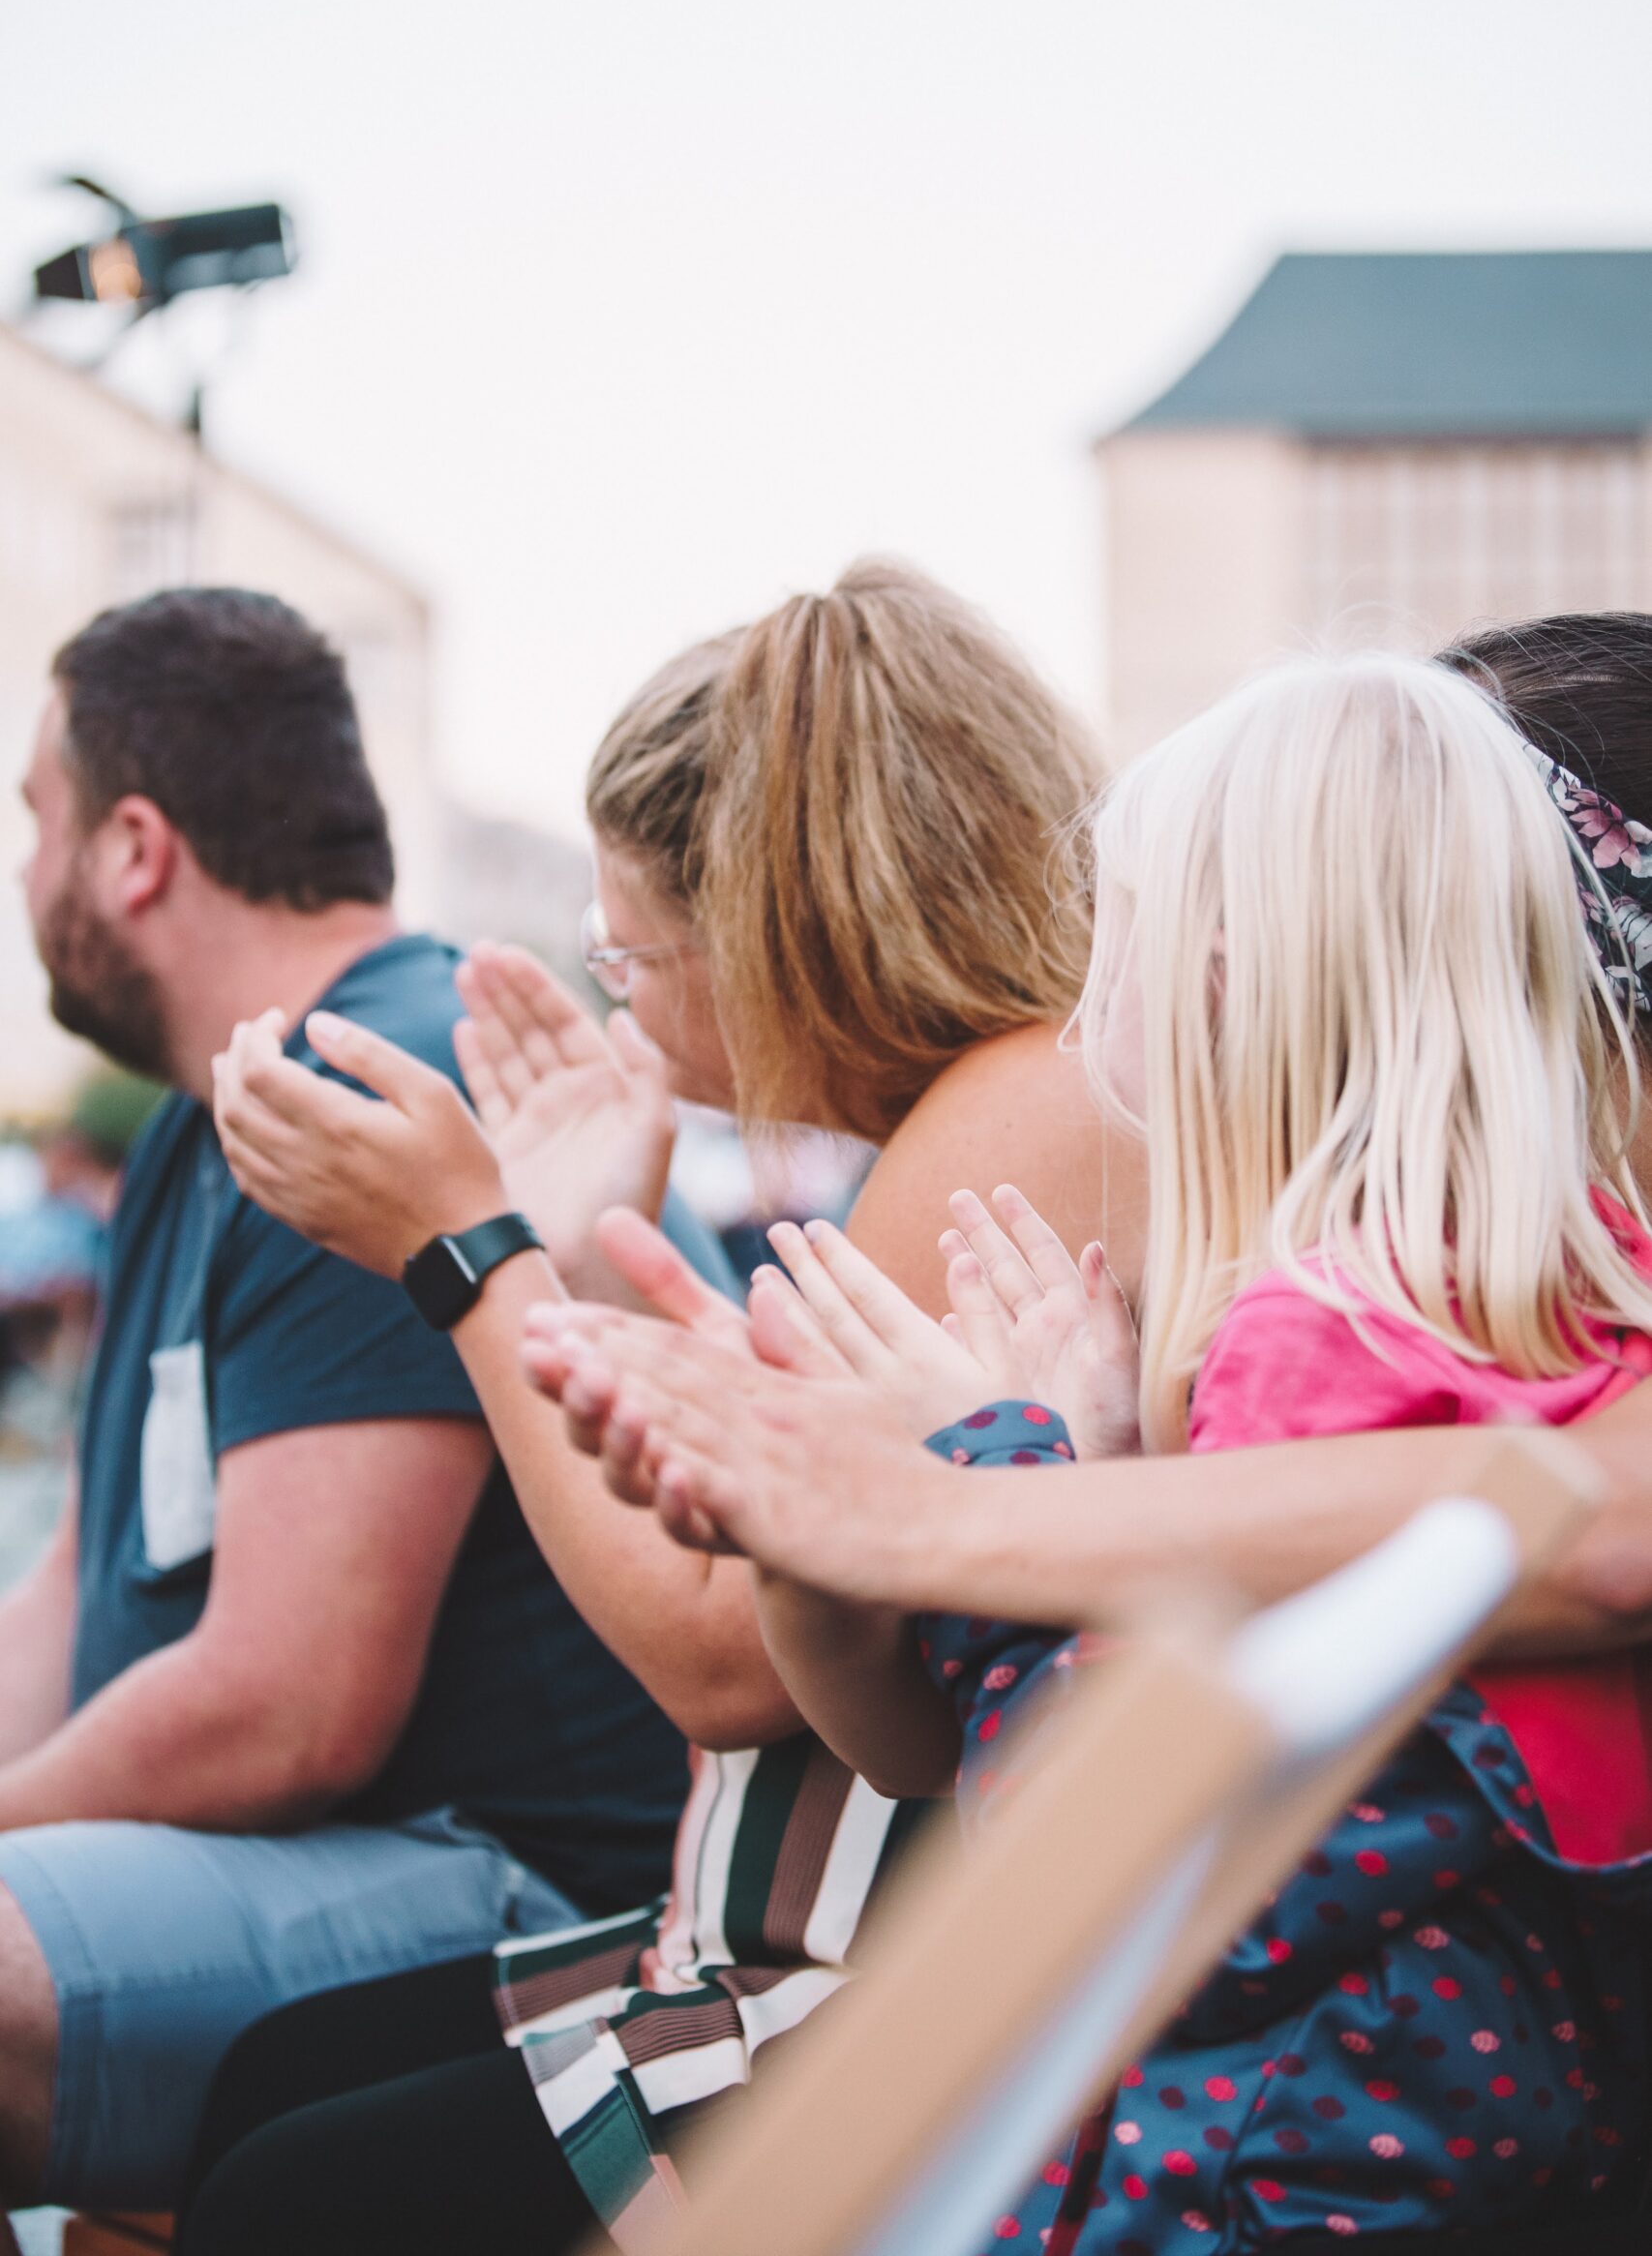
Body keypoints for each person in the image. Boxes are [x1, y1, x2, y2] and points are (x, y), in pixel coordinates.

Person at [551, 650, 1652, 2244]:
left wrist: (988, 1468)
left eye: (1112, 939)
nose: (1079, 998)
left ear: (1212, 971)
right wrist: (1109, 1460)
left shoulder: (1310, 1336)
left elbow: (1102, 1822)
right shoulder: (1558, 1287)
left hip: (1271, 2158)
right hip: (1494, 2124)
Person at [177, 559, 1123, 2254]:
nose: (621, 994)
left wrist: (463, 1258)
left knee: (287, 2191)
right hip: (803, 1922)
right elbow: (753, 1517)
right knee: (274, 2087)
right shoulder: (1002, 1097)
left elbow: (724, 1655)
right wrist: (582, 1256)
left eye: (632, 951)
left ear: (775, 919)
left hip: (904, 1992)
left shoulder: (1010, 1113)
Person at [0, 588, 712, 2224]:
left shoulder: (368, 1084)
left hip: (512, 1882)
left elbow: (290, 1703)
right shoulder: (215, 1116)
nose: (25, 871)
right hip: (342, 1849)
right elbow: (70, 1594)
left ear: (132, 848)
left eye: (33, 821)